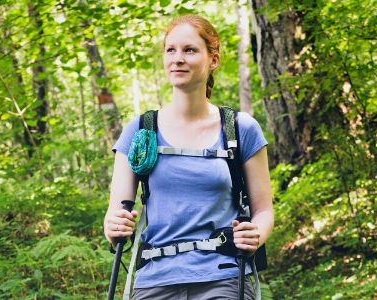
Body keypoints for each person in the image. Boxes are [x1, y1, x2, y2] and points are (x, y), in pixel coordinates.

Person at [104, 15, 274, 299]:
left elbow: (264, 210)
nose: (178, 58)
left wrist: (255, 233)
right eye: (171, 50)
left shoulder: (240, 129)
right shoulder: (141, 130)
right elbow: (115, 214)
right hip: (155, 279)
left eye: (190, 50)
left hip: (224, 276)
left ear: (214, 60)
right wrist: (113, 227)